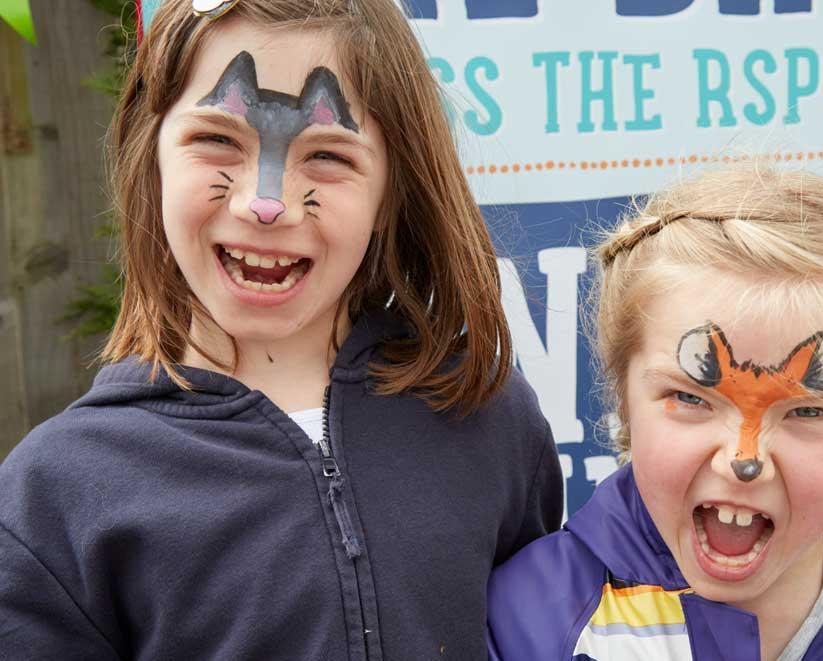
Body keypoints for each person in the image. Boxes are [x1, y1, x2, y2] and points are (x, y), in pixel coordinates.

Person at [0, 0, 563, 658]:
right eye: (217, 141)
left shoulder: (488, 418)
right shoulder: (54, 495)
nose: (265, 203)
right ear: (150, 156)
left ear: (392, 193)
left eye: (326, 155)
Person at [487, 167, 823, 660]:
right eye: (691, 399)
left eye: (807, 412)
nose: (742, 460)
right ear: (623, 398)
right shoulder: (531, 624)